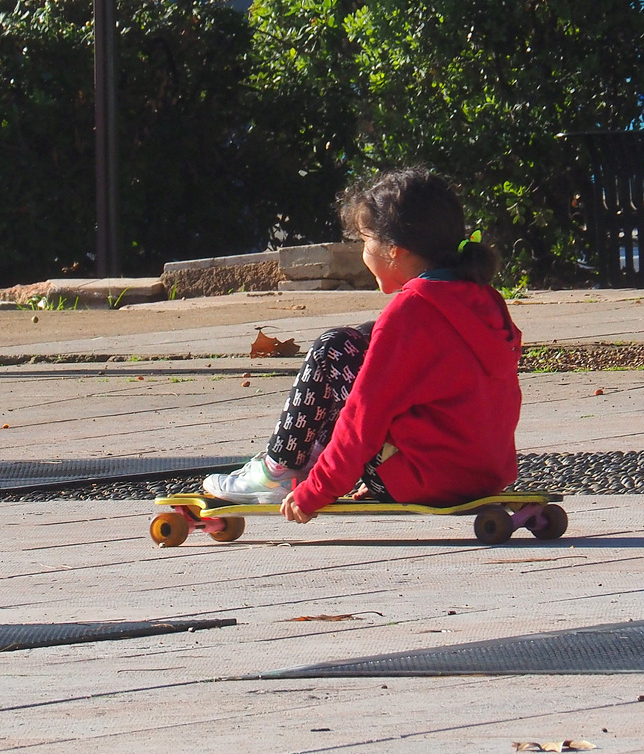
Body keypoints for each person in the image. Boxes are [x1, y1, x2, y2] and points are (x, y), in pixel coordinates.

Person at [202, 168, 522, 522]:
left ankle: (278, 470)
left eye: (365, 242)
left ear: (394, 251)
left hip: (423, 480)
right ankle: (293, 464)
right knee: (361, 339)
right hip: (484, 474)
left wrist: (317, 491)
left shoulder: (410, 312)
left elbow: (363, 417)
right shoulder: (485, 300)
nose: (363, 252)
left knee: (334, 348)